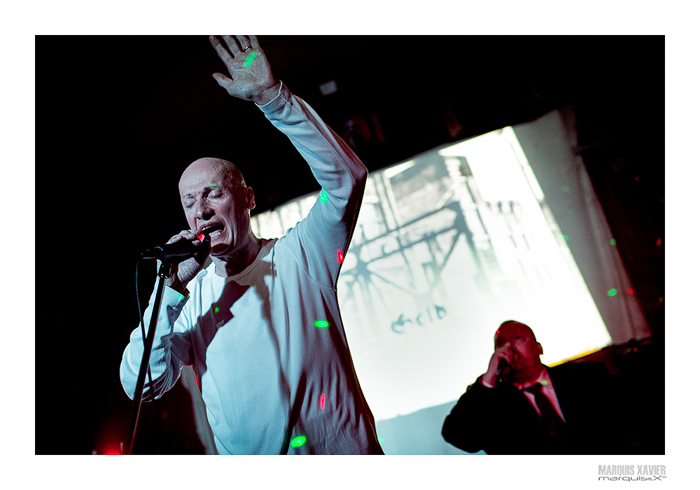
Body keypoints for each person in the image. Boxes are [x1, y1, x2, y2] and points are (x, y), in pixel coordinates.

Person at [120, 35, 383, 455]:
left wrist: (273, 99)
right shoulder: (187, 300)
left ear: (248, 198)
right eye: (189, 202)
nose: (201, 210)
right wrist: (167, 291)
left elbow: (345, 181)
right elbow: (142, 385)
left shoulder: (301, 254)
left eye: (212, 194)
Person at [441, 320, 628, 454]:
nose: (509, 347)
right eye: (500, 343)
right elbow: (457, 435)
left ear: (539, 348)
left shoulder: (583, 377)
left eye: (517, 338)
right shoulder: (488, 401)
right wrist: (488, 380)